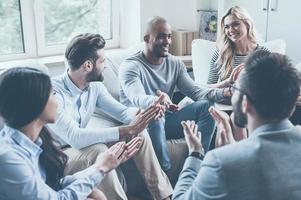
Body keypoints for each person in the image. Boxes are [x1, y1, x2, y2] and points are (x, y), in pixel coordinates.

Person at [47, 33, 173, 200]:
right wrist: (126, 129)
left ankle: (164, 196)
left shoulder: (94, 87)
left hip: (79, 149)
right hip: (57, 157)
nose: (105, 66)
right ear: (88, 65)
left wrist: (145, 114)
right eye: (102, 61)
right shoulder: (52, 93)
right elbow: (75, 137)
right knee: (99, 150)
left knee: (138, 134)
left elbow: (121, 111)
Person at [172, 50, 301, 200]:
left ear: (245, 103)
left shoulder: (221, 162)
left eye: (234, 89)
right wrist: (235, 147)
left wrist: (195, 153)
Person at [0, 67, 142, 200]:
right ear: (36, 103)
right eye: (53, 94)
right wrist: (100, 169)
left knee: (95, 193)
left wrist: (103, 165)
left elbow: (52, 186)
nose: (57, 102)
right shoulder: (8, 159)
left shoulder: (33, 142)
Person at [119, 16, 231, 172]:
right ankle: (165, 176)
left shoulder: (175, 63)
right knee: (155, 114)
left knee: (207, 106)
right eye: (161, 37)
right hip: (140, 122)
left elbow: (195, 91)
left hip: (168, 118)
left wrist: (224, 92)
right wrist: (158, 101)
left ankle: (198, 167)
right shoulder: (131, 66)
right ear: (147, 38)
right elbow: (136, 97)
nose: (167, 41)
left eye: (169, 36)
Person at [207, 6, 269, 88]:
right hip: (224, 99)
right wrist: (226, 83)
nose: (231, 30)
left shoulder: (263, 54)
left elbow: (272, 86)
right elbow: (207, 88)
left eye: (235, 24)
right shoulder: (220, 54)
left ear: (247, 24)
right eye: (227, 27)